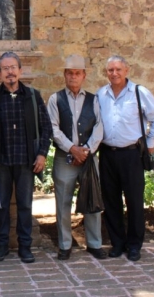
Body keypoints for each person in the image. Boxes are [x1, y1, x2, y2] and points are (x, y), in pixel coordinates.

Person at [0, 51, 52, 263]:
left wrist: (41, 154)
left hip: (26, 161)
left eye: (13, 68)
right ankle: (1, 246)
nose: (10, 72)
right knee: (2, 206)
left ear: (20, 71)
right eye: (5, 68)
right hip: (1, 162)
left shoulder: (33, 96)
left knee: (25, 205)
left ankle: (25, 246)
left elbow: (46, 128)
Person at [96, 55, 154, 262]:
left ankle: (134, 245)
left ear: (126, 70)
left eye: (118, 69)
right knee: (111, 202)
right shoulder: (101, 94)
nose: (114, 73)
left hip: (131, 155)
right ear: (106, 72)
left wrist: (151, 143)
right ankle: (117, 243)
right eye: (110, 70)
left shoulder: (138, 92)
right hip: (107, 153)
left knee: (134, 201)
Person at [47, 54, 106, 261]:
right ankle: (64, 245)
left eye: (77, 73)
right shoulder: (55, 99)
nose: (73, 77)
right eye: (70, 73)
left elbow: (100, 126)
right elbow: (53, 129)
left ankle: (94, 243)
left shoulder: (94, 99)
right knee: (62, 203)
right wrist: (72, 148)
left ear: (84, 75)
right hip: (65, 158)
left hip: (88, 158)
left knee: (93, 199)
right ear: (65, 74)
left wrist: (86, 150)